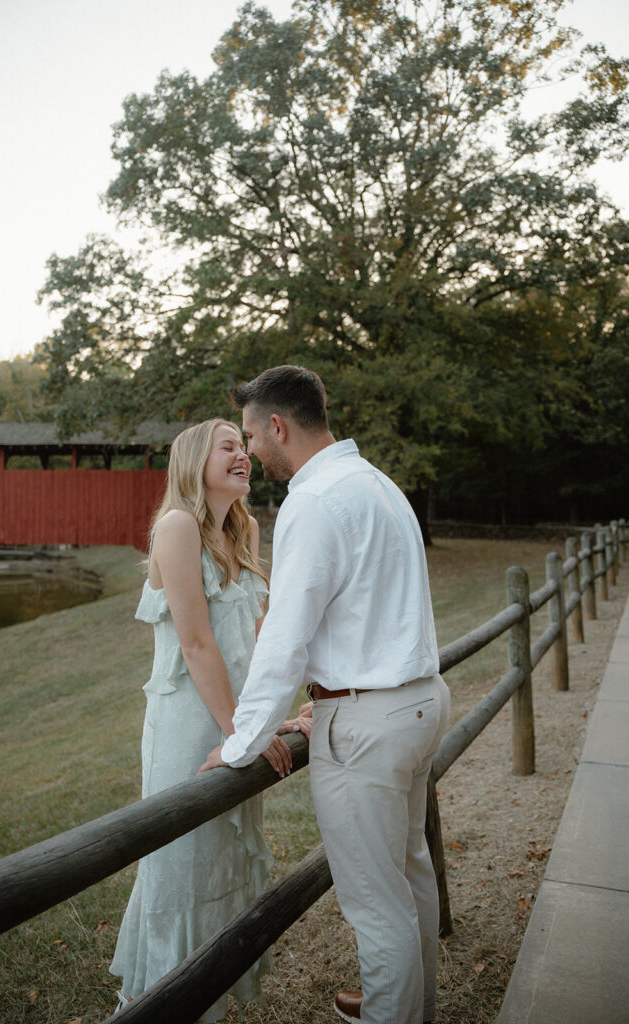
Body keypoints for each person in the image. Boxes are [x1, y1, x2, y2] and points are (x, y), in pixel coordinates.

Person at [200, 367, 450, 1024]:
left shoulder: (313, 501)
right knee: (410, 871)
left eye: (252, 436)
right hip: (418, 699)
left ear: (277, 426)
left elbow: (285, 636)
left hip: (367, 719)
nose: (251, 450)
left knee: (375, 903)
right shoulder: (378, 484)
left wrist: (242, 742)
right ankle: (412, 1010)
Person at [110, 418, 301, 1020]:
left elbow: (261, 641)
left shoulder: (241, 533)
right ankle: (159, 1004)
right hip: (193, 726)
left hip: (234, 720)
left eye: (245, 448)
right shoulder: (177, 526)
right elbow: (196, 645)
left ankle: (206, 994)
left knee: (223, 851)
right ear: (196, 460)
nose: (244, 455)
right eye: (229, 446)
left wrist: (280, 712)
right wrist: (243, 732)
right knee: (184, 861)